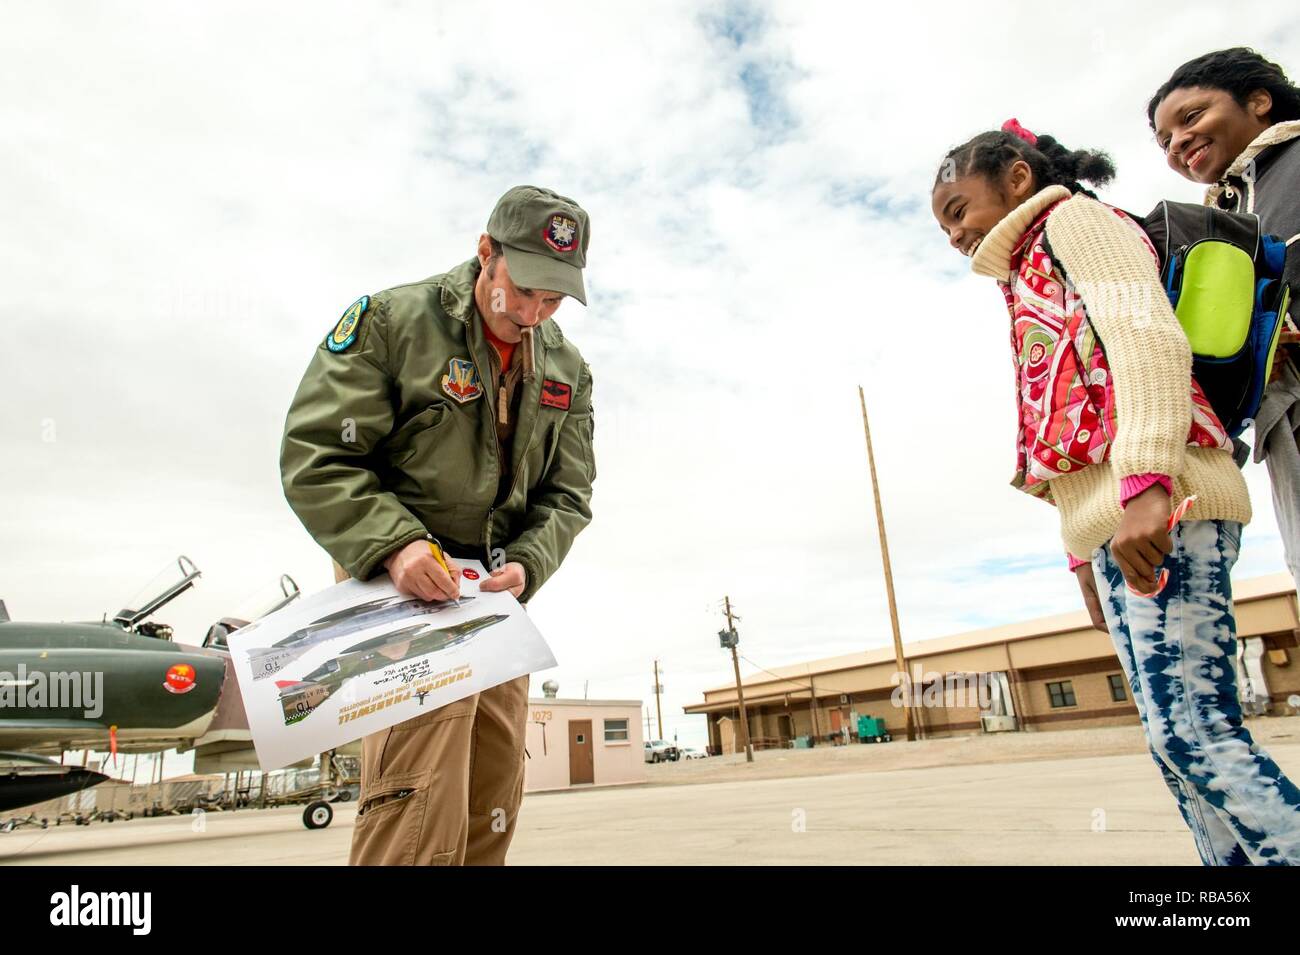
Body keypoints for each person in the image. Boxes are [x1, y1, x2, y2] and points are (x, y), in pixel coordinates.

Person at [931, 120, 1300, 864]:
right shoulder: (1024, 274)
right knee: (1175, 749)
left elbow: (1145, 339)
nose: (954, 234)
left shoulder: (1075, 221)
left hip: (1168, 501)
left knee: (1197, 731)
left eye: (957, 210)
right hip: (1116, 522)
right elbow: (1058, 422)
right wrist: (1080, 554)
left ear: (1016, 179)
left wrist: (1148, 484)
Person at [280, 185, 597, 865]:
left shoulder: (566, 368)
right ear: (486, 253)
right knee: (419, 785)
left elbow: (568, 494)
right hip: (397, 584)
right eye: (526, 290)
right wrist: (396, 547)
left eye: (555, 298)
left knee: (495, 779)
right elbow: (318, 454)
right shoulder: (394, 323)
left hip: (490, 596)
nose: (536, 313)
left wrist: (530, 562)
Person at [1149, 47, 1300, 591]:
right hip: (1283, 423)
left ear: (1258, 102)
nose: (1178, 143)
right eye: (1165, 140)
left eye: (1190, 118)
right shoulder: (1229, 217)